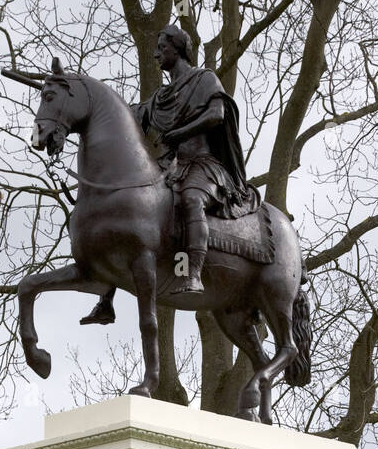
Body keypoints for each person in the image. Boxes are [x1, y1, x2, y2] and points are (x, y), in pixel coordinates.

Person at [80, 24, 259, 322]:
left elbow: (217, 115)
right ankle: (106, 302)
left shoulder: (204, 79)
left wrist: (179, 132)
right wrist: (87, 104)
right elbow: (125, 116)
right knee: (128, 210)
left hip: (206, 163)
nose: (156, 54)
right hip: (173, 166)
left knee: (191, 199)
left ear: (177, 49)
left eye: (161, 48)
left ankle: (194, 274)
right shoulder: (161, 97)